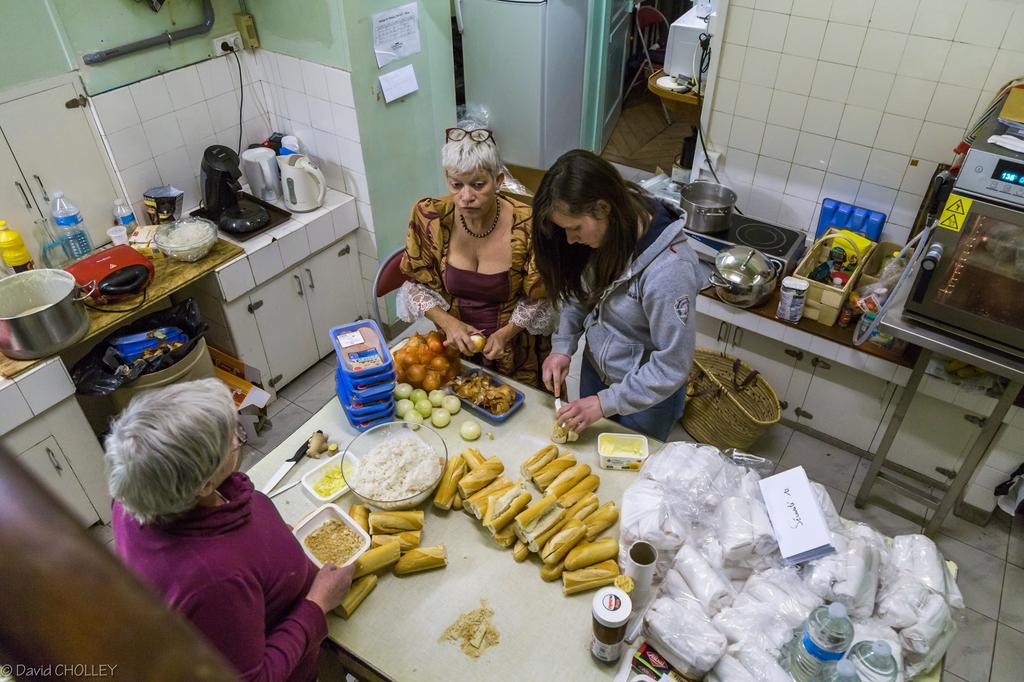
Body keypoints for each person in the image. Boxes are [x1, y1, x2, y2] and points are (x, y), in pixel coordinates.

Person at [106, 379, 353, 682]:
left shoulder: (135, 494)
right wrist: (318, 603)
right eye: (235, 438)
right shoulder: (212, 581)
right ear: (204, 484)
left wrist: (269, 538)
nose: (240, 437)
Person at [533, 150, 700, 441]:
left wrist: (603, 403)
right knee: (591, 455)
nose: (571, 239)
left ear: (603, 207)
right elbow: (579, 293)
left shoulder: (670, 270)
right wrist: (562, 347)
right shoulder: (607, 233)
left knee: (628, 470)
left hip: (648, 395)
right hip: (596, 370)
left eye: (574, 228)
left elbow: (672, 365)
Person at [399, 127, 554, 387]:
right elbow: (416, 285)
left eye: (478, 185)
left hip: (515, 351)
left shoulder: (529, 225)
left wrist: (507, 333)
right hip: (453, 347)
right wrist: (448, 323)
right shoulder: (431, 218)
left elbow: (542, 297)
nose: (466, 197)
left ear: (499, 180)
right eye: (456, 185)